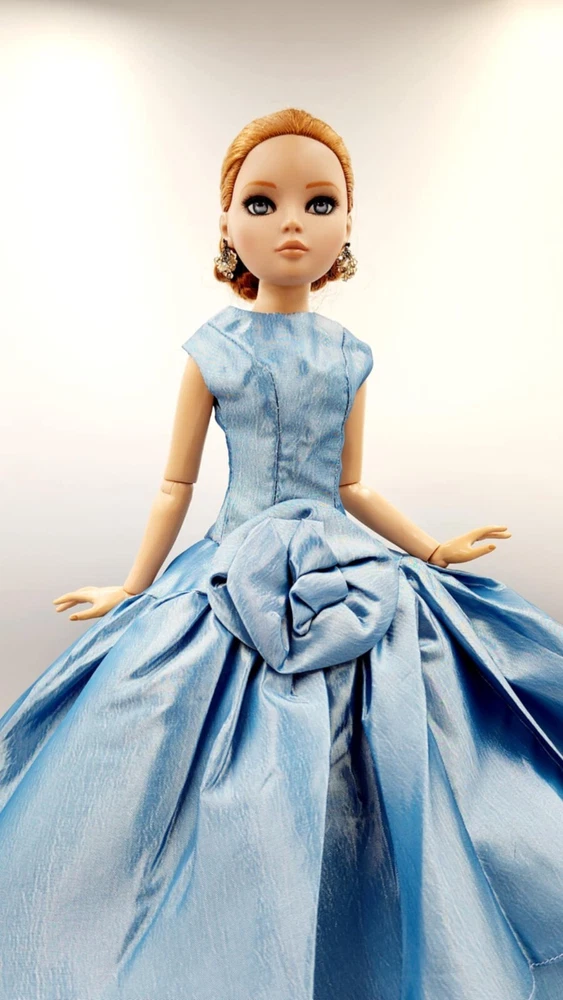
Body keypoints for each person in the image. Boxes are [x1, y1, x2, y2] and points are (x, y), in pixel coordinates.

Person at [1, 107, 562, 1000]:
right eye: (261, 203)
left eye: (319, 202)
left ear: (347, 226)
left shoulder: (348, 354)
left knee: (406, 726)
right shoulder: (212, 349)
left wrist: (431, 548)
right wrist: (133, 587)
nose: (291, 222)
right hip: (232, 568)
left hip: (347, 567)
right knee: (148, 732)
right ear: (226, 225)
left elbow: (351, 485)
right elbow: (176, 484)